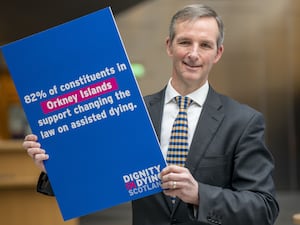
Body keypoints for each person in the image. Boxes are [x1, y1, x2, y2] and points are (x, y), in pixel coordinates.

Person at [23, 4, 279, 225]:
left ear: (218, 53)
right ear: (169, 46)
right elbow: (93, 176)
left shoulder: (243, 122)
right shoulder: (133, 113)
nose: (193, 53)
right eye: (185, 42)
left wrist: (199, 193)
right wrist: (55, 166)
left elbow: (264, 207)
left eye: (205, 45)